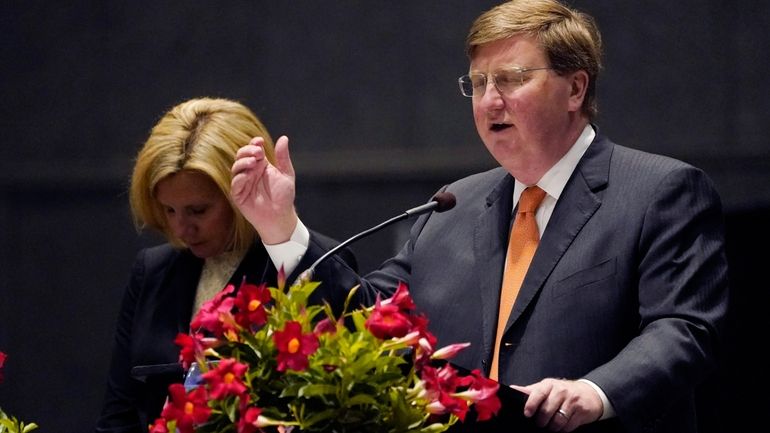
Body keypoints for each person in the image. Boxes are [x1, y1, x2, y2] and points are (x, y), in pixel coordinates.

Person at [230, 1, 729, 432]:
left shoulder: (658, 192)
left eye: (511, 79)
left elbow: (683, 328)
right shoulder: (451, 207)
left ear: (576, 89)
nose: (490, 100)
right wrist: (282, 228)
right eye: (478, 83)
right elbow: (374, 317)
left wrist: (596, 392)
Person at [95, 97, 357, 432]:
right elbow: (118, 415)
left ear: (242, 192)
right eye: (169, 210)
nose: (180, 229)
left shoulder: (310, 262)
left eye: (198, 210)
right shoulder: (151, 270)